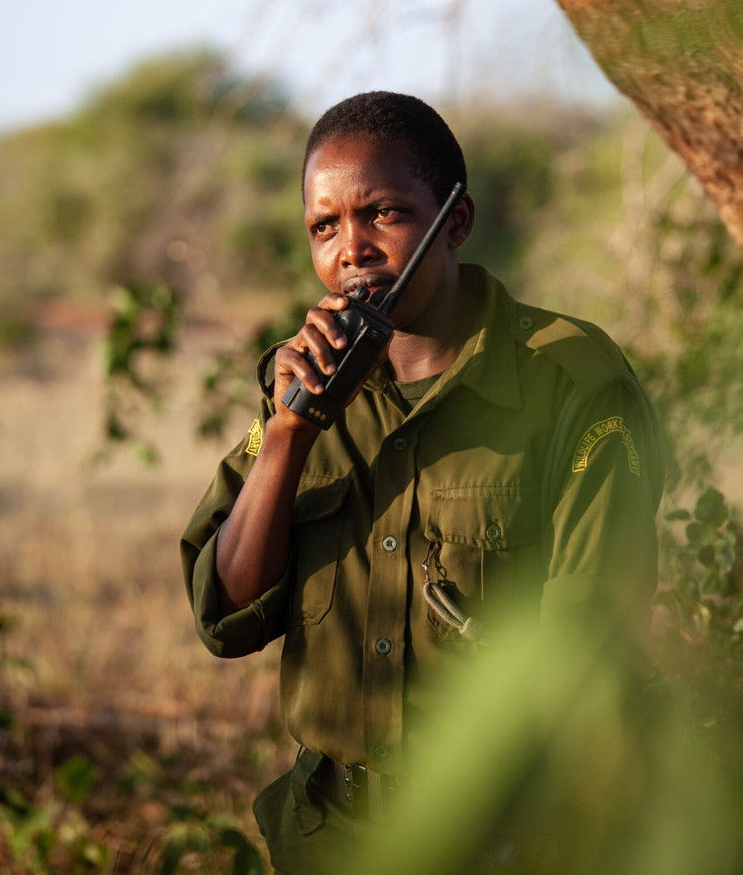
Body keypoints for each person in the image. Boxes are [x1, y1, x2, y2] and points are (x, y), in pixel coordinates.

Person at [181, 91, 664, 875]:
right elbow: (225, 615)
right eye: (325, 226)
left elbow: (593, 637)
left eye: (386, 215)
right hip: (333, 833)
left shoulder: (567, 379)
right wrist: (289, 436)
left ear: (458, 221)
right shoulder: (300, 384)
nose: (353, 249)